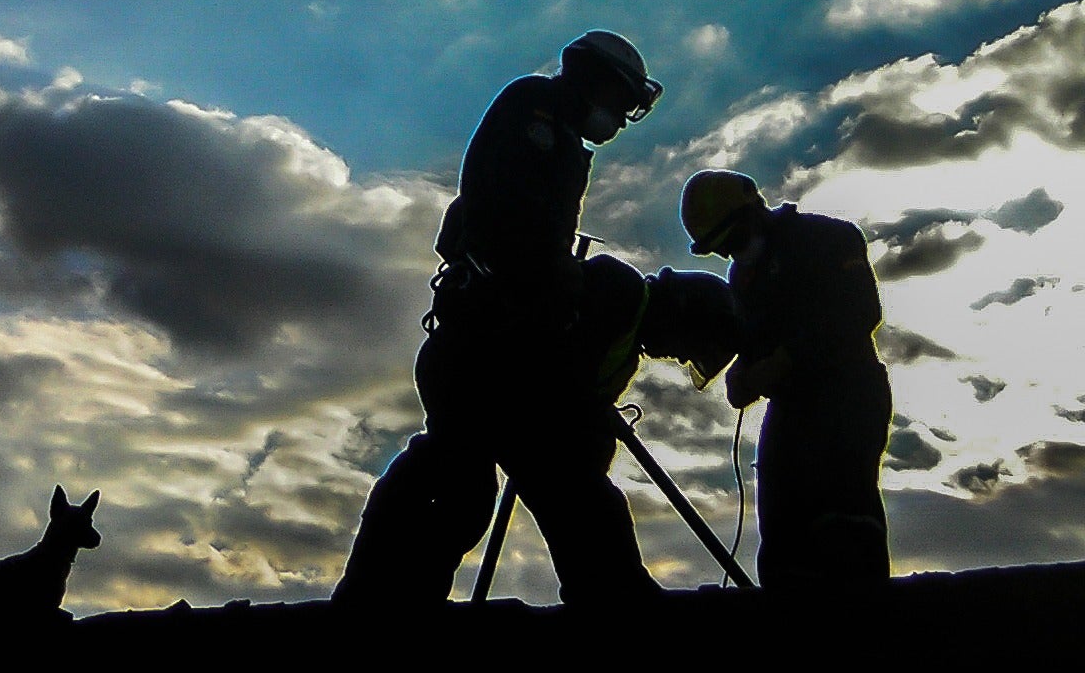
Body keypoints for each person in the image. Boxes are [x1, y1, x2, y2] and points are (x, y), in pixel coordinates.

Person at [334, 32, 669, 607]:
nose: (617, 116)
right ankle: (380, 605)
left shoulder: (559, 137)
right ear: (592, 78)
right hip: (487, 348)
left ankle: (383, 602)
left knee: (535, 485)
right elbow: (508, 221)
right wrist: (552, 287)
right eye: (618, 99)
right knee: (499, 486)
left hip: (500, 343)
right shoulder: (533, 113)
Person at [680, 169, 891, 589]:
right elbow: (754, 343)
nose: (729, 256)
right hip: (794, 407)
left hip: (849, 394)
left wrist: (789, 359)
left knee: (843, 513)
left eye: (732, 243)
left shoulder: (828, 239)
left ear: (752, 212)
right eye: (720, 251)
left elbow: (861, 313)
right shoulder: (743, 278)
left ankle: (863, 613)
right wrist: (742, 375)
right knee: (782, 522)